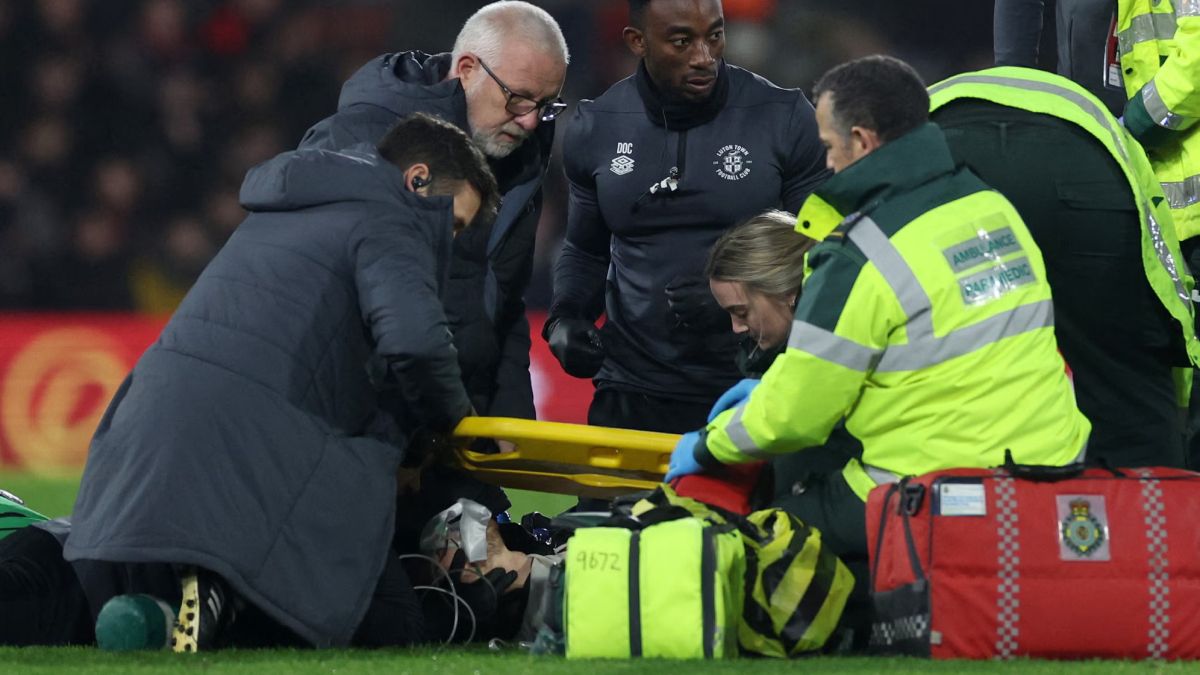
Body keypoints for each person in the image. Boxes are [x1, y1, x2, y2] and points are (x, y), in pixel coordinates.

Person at [59, 112, 503, 651]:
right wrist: (456, 428)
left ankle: (169, 614)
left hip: (142, 452)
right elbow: (416, 344)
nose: (448, 242)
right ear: (417, 179)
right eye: (452, 223)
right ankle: (228, 597)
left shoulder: (290, 206)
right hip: (251, 453)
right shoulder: (393, 212)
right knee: (393, 625)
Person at [666, 55, 1091, 562]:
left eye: (829, 146)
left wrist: (705, 445)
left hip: (937, 490)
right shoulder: (989, 205)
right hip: (1054, 466)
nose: (827, 164)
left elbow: (795, 417)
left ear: (862, 141)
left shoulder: (861, 254)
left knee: (765, 537)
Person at [544, 0, 829, 435]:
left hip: (756, 385)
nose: (704, 57)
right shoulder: (596, 125)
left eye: (715, 36)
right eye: (682, 41)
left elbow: (823, 249)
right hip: (632, 389)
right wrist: (566, 316)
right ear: (637, 42)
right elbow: (585, 249)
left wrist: (740, 296)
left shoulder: (783, 117)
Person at [301, 1, 568, 426]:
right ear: (467, 69)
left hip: (456, 420)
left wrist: (510, 417)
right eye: (518, 98)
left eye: (547, 105)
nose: (531, 121)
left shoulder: (522, 159)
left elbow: (504, 302)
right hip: (367, 419)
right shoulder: (361, 140)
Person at [928, 66, 1199, 468]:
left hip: (950, 156)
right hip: (1086, 162)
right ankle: (1153, 494)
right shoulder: (1102, 124)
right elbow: (1159, 281)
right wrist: (1165, 400)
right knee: (1116, 377)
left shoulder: (899, 130)